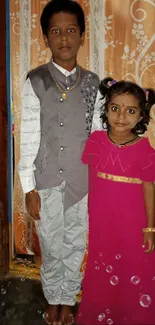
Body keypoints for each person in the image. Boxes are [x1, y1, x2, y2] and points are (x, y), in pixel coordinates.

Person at [18, 1, 100, 324]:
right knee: (51, 244)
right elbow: (28, 137)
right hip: (47, 180)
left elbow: (97, 137)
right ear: (45, 38)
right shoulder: (35, 81)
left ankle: (69, 297)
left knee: (75, 243)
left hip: (81, 183)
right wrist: (29, 187)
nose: (64, 38)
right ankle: (53, 296)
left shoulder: (94, 84)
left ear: (82, 36)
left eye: (71, 31)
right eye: (56, 31)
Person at [76, 78, 155, 325]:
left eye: (130, 111)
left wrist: (150, 227)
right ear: (106, 109)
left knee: (134, 269)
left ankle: (133, 317)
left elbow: (149, 188)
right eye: (115, 108)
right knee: (102, 270)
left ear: (141, 116)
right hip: (103, 223)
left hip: (133, 224)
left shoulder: (145, 149)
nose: (121, 116)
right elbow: (87, 180)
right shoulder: (96, 141)